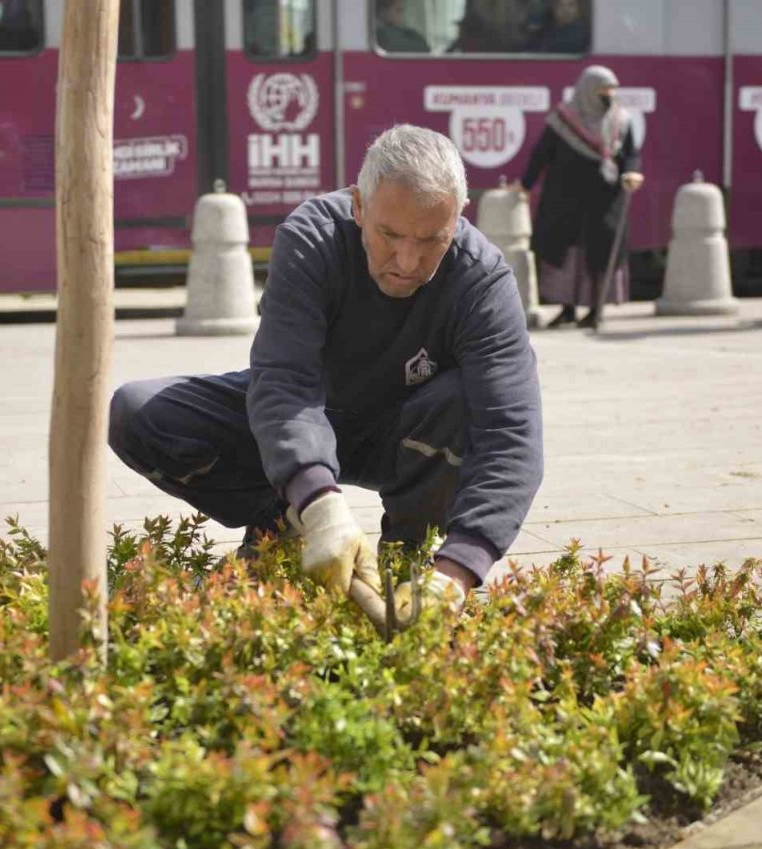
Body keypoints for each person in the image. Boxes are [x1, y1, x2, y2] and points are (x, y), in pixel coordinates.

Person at [109, 125, 543, 632]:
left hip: (406, 436)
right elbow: (284, 379)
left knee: (464, 402)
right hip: (308, 413)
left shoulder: (481, 279)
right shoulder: (313, 236)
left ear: (457, 220)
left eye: (432, 240)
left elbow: (511, 435)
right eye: (389, 235)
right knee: (140, 413)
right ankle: (283, 523)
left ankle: (409, 560)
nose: (408, 262)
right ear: (358, 207)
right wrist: (317, 500)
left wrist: (460, 569)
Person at [510, 66, 644, 327]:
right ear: (588, 90)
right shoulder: (564, 119)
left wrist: (631, 173)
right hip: (566, 200)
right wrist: (525, 184)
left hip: (606, 202)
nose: (610, 94)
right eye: (605, 89)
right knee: (567, 256)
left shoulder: (621, 121)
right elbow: (542, 153)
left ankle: (596, 311)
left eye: (612, 89)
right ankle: (567, 309)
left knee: (600, 255)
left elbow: (630, 155)